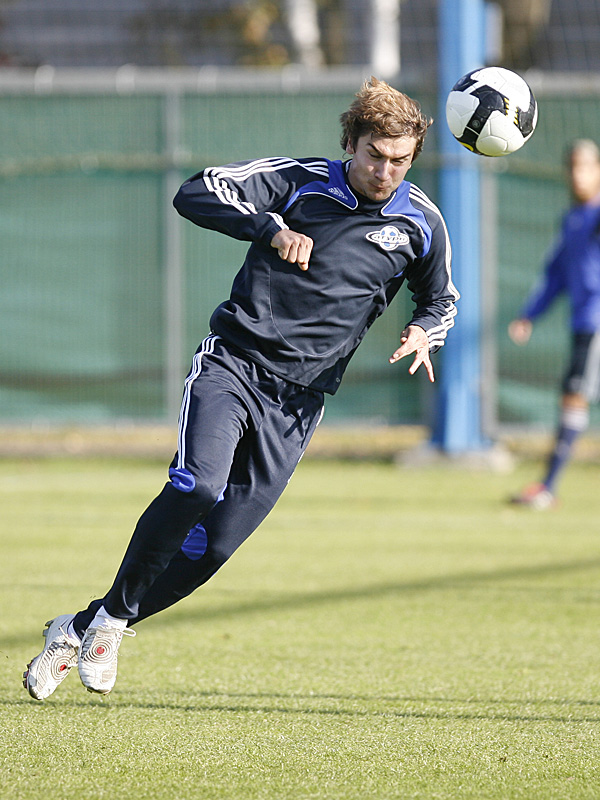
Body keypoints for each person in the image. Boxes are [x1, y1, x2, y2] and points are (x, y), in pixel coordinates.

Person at [23, 77, 458, 700]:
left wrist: (423, 331)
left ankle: (86, 625)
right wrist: (269, 229)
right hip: (233, 365)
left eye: (400, 160)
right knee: (197, 486)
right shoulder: (299, 181)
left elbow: (441, 298)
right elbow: (195, 191)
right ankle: (111, 626)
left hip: (300, 402)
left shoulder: (420, 221)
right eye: (374, 155)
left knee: (215, 547)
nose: (385, 171)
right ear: (350, 145)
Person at [509, 139, 600, 509]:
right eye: (573, 167)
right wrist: (529, 315)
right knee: (573, 399)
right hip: (583, 325)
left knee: (574, 397)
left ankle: (547, 487)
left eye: (586, 167)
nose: (579, 175)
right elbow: (557, 276)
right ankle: (547, 486)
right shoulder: (572, 220)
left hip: (596, 323)